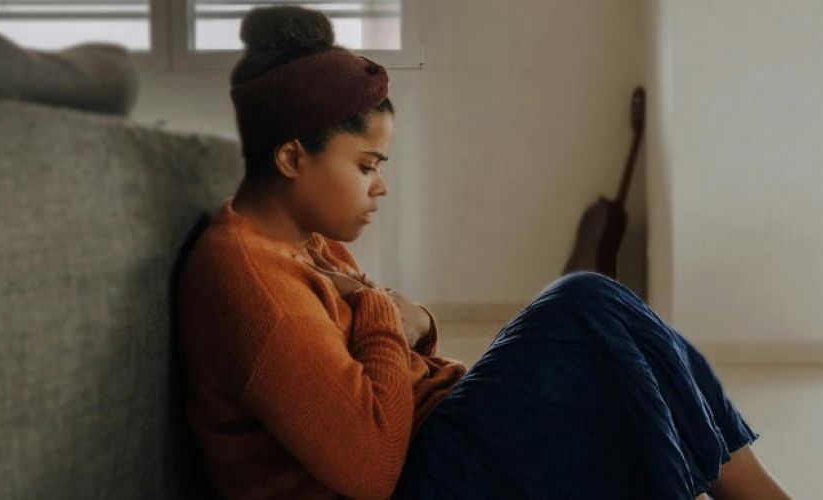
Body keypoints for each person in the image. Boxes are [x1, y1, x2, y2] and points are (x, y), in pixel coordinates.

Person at [175, 6, 790, 499]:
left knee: (613, 343)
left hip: (437, 436)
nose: (381, 185)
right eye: (366, 166)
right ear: (291, 158)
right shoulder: (255, 287)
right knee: (584, 303)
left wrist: (395, 320)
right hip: (415, 476)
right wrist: (385, 314)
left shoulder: (307, 240)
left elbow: (396, 348)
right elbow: (368, 473)